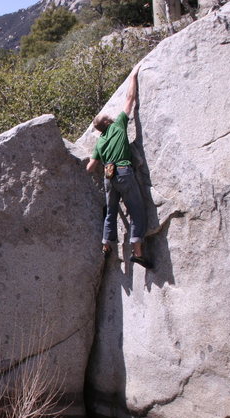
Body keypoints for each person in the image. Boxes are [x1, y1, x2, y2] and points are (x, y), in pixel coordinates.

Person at [86, 66, 153, 269]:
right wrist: (133, 75)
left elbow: (90, 167)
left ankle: (106, 245)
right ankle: (138, 252)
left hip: (108, 176)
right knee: (137, 210)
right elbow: (129, 99)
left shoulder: (99, 143)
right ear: (108, 122)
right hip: (124, 171)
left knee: (111, 212)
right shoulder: (118, 126)